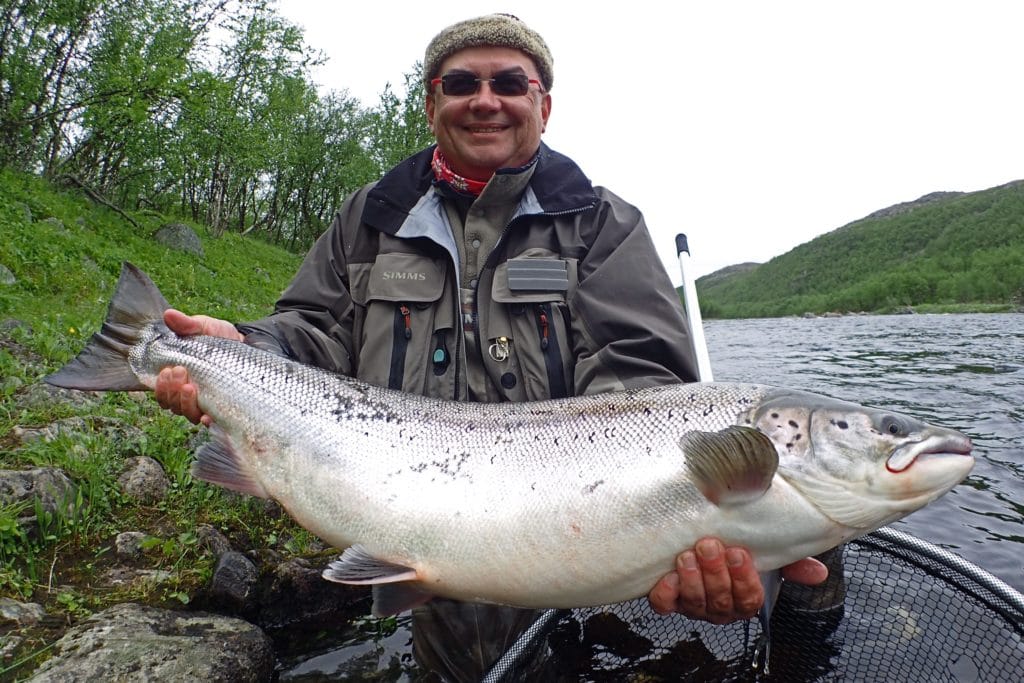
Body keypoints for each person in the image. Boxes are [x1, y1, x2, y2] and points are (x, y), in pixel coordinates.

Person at [154, 13, 827, 680]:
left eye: (510, 81)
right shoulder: (370, 217)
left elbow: (645, 389)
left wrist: (668, 525)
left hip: (579, 572)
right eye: (460, 83)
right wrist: (241, 346)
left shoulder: (602, 225)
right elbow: (311, 333)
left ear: (544, 103)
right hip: (426, 569)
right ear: (431, 104)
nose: (485, 100)